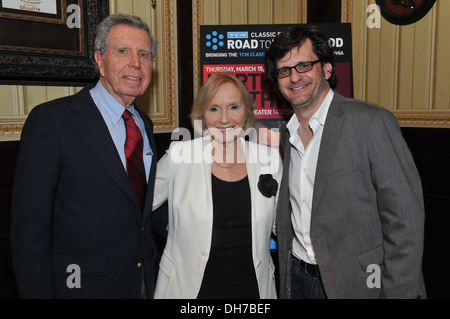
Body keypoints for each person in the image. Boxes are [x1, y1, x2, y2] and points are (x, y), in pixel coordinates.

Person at [264, 25, 426, 299]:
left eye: (304, 65)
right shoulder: (287, 135)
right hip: (298, 281)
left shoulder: (370, 122)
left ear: (326, 68)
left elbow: (405, 220)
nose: (294, 77)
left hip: (359, 284)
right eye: (284, 70)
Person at [10, 14, 160, 298]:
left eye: (144, 54)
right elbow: (29, 234)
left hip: (140, 285)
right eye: (122, 51)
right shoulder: (52, 121)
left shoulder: (144, 124)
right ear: (100, 60)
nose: (136, 63)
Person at [152, 73, 282, 299]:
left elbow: (283, 226)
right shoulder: (179, 156)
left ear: (246, 112)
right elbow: (137, 207)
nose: (224, 119)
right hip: (189, 290)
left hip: (253, 289)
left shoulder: (268, 158)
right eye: (214, 109)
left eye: (233, 107)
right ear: (202, 114)